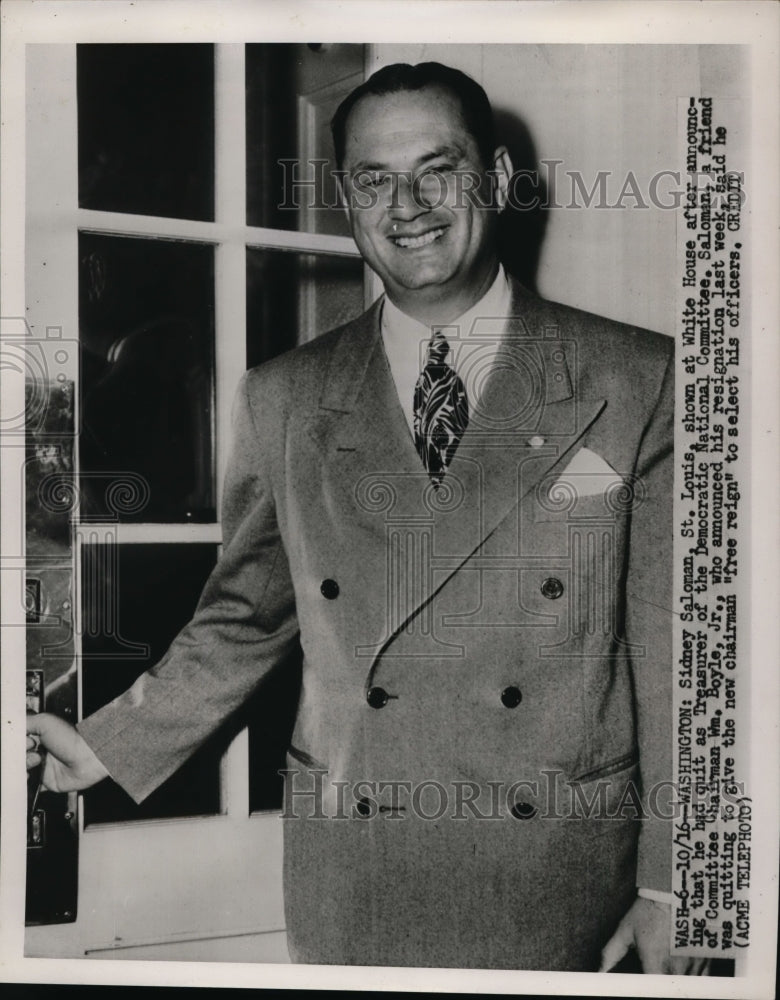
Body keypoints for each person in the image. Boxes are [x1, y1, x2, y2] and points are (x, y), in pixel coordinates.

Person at [27, 62, 703, 973]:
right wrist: (106, 745)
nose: (408, 207)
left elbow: (677, 654)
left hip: (563, 874)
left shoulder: (638, 378)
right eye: (374, 180)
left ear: (499, 179)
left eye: (438, 170)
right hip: (360, 871)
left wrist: (674, 886)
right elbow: (245, 618)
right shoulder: (284, 397)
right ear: (346, 199)